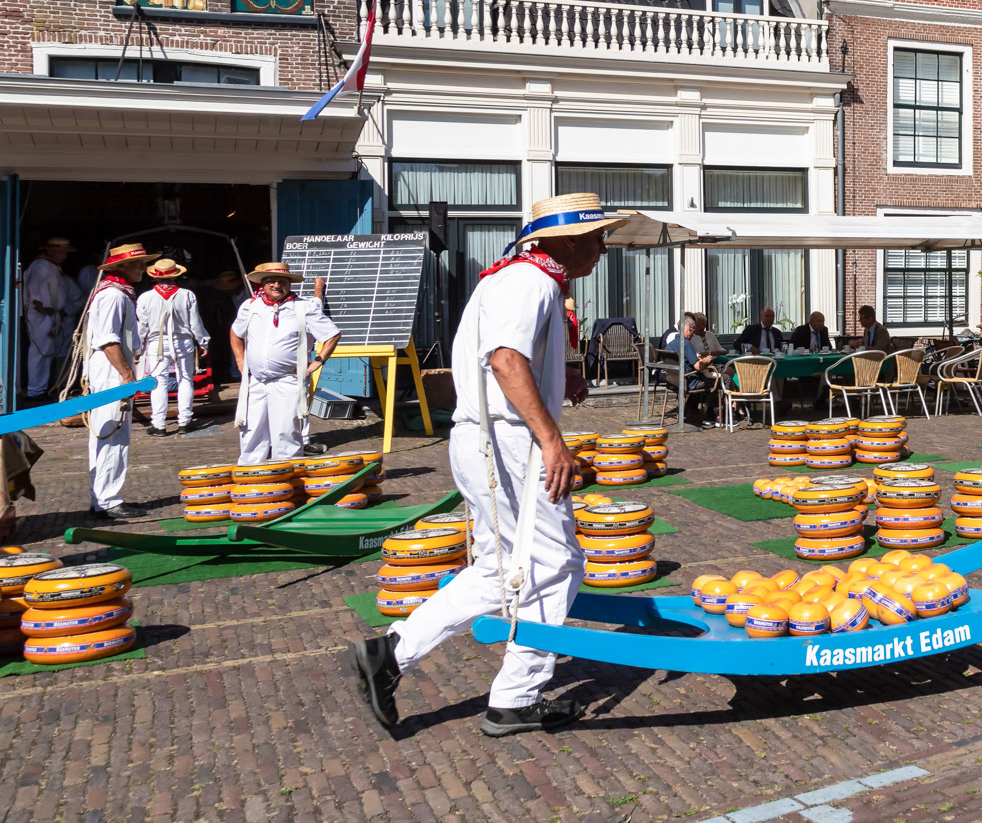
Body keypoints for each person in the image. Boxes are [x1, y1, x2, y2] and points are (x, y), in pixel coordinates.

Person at [351, 191, 621, 738]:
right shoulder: (532, 282)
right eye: (596, 237)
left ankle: (392, 653)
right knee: (555, 564)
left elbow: (501, 357)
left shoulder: (510, 278)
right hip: (510, 441)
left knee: (499, 569)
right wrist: (551, 439)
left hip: (480, 436)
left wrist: (556, 377)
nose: (602, 248)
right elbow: (504, 360)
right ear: (566, 239)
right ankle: (516, 698)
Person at [230, 264, 341, 463]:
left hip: (287, 380)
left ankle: (286, 473)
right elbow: (235, 332)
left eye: (281, 281)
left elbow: (332, 335)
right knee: (250, 430)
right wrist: (240, 360)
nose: (276, 285)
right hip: (255, 381)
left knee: (286, 432)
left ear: (289, 284)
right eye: (270, 281)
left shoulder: (304, 307)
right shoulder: (251, 306)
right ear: (262, 284)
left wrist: (317, 362)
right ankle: (250, 472)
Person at [83, 243, 154, 520]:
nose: (143, 268)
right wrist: (127, 375)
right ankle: (108, 500)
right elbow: (108, 340)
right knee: (113, 433)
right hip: (111, 369)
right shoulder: (113, 295)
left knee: (107, 431)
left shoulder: (116, 292)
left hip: (110, 367)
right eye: (138, 263)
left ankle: (101, 497)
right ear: (121, 266)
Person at [136, 259, 210, 436]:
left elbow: (141, 327)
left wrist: (137, 349)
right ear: (175, 275)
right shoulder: (187, 295)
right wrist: (203, 341)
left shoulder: (145, 298)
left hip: (156, 344)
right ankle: (185, 422)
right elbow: (195, 323)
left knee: (158, 383)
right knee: (185, 380)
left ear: (155, 277)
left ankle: (159, 424)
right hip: (183, 342)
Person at [23, 237, 72, 401]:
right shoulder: (41, 266)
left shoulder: (50, 266)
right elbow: (33, 290)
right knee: (40, 352)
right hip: (42, 315)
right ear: (51, 251)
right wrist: (43, 310)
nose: (64, 256)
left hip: (49, 313)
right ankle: (35, 390)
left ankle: (41, 388)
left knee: (47, 351)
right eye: (61, 252)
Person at [661, 312, 722, 427]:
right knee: (716, 382)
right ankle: (711, 414)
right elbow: (697, 366)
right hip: (688, 381)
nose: (692, 336)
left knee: (702, 380)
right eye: (692, 332)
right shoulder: (686, 344)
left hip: (673, 381)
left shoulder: (670, 344)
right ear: (688, 328)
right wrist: (705, 361)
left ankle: (692, 409)